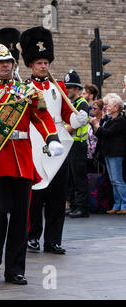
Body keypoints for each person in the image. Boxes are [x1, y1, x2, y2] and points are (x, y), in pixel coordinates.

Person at [0, 43, 63, 285]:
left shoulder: (26, 90)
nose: (5, 66)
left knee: (20, 218)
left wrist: (51, 137)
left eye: (8, 62)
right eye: (0, 63)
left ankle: (15, 268)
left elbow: (41, 116)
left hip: (23, 161)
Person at [19, 27, 88, 254]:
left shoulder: (58, 86)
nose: (43, 66)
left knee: (58, 196)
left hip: (60, 143)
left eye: (46, 62)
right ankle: (32, 236)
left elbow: (65, 112)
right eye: (39, 63)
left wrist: (76, 119)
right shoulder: (24, 88)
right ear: (31, 65)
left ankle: (53, 240)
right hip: (36, 143)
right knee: (36, 195)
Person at [91, 93, 126, 214]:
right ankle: (117, 205)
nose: (106, 107)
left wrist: (96, 125)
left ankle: (124, 204)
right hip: (108, 152)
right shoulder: (110, 119)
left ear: (116, 107)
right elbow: (100, 134)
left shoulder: (120, 121)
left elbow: (107, 133)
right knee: (113, 180)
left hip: (116, 153)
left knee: (118, 179)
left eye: (109, 105)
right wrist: (100, 123)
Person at [64, 70, 91, 218]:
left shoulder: (82, 104)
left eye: (69, 87)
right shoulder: (70, 104)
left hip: (78, 144)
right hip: (70, 144)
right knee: (71, 178)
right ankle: (74, 205)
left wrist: (61, 133)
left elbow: (75, 125)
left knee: (79, 177)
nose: (67, 90)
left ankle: (82, 207)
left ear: (76, 88)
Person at [87, 99, 104, 173]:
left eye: (95, 108)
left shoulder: (103, 121)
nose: (93, 110)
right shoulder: (91, 120)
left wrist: (94, 125)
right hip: (89, 153)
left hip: (99, 153)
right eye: (92, 108)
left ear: (101, 110)